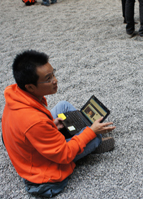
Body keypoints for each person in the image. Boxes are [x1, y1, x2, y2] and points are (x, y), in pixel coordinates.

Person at [2, 50, 116, 197]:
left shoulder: (16, 94)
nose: (55, 80)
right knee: (94, 137)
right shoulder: (34, 122)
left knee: (63, 106)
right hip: (42, 165)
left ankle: (80, 131)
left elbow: (32, 127)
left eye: (53, 73)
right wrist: (91, 132)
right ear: (30, 87)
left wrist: (51, 124)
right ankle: (89, 140)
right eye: (48, 79)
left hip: (33, 141)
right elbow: (64, 154)